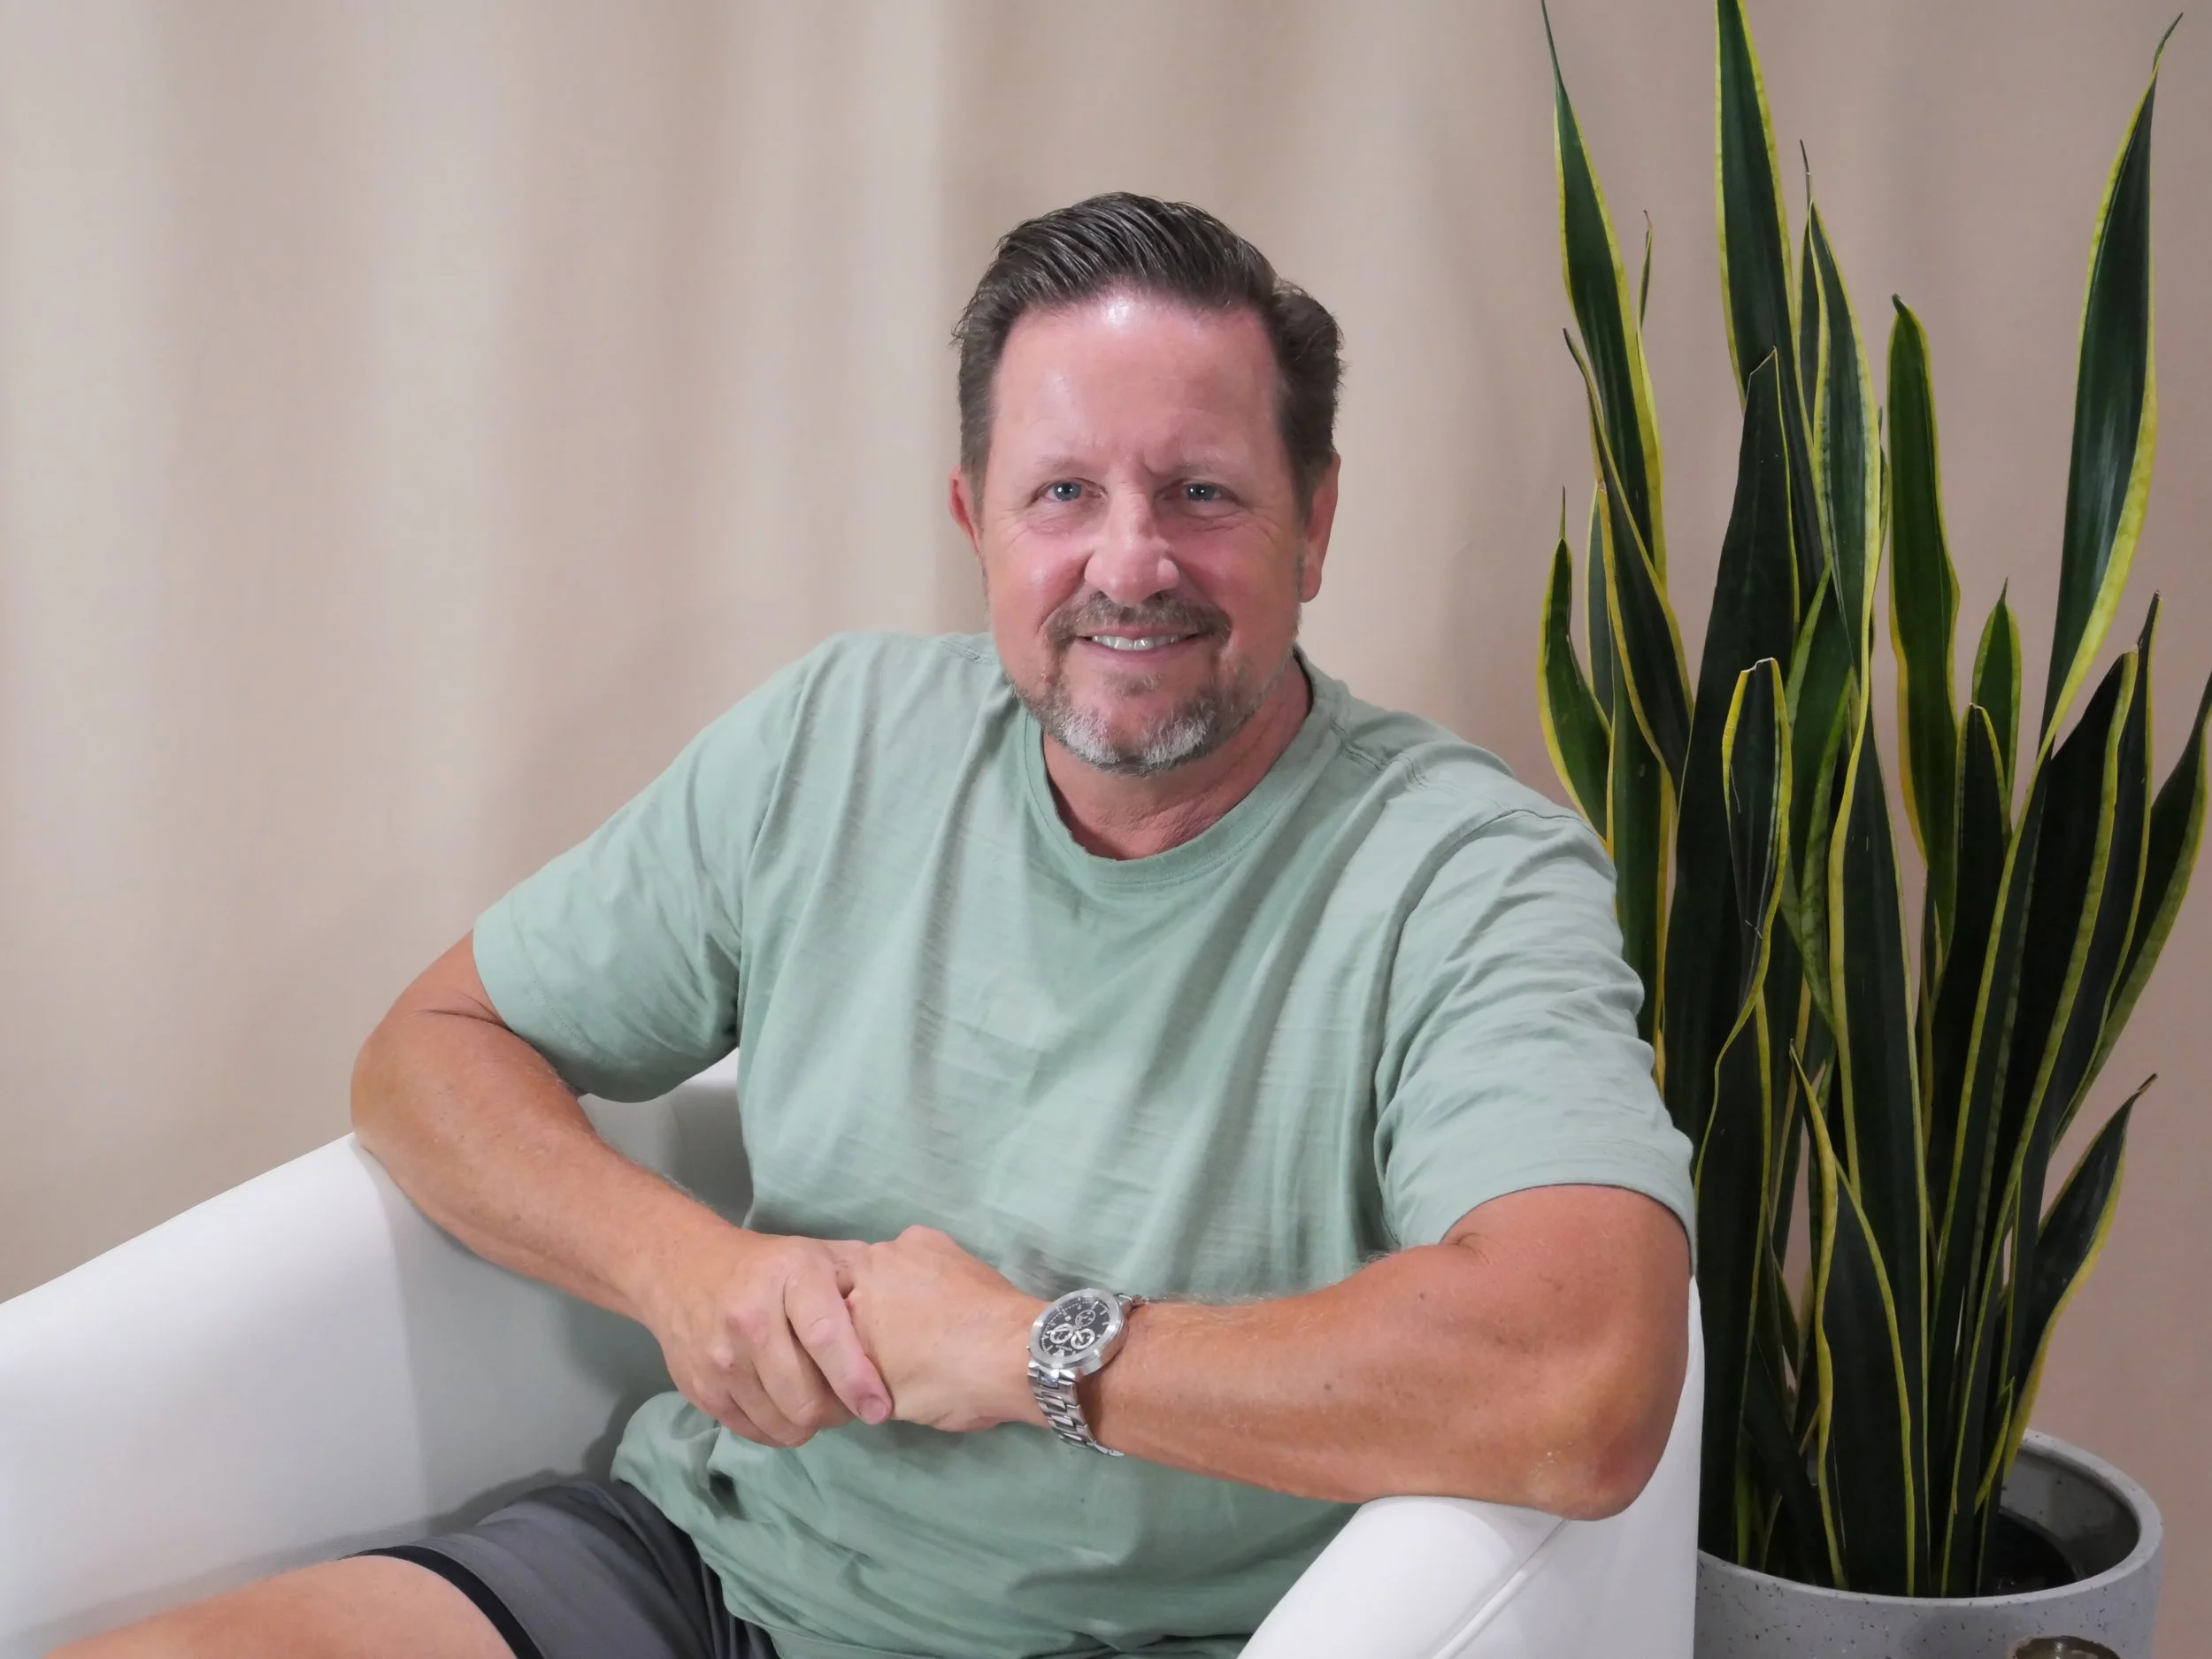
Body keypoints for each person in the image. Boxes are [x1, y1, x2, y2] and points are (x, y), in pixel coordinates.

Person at [62, 193, 1693, 1659]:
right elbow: (425, 1053)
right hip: (696, 1568)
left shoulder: (1468, 872)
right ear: (975, 517)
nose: (1129, 560)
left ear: (1314, 523)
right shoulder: (834, 738)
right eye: (1063, 491)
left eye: (1202, 491)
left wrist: (1028, 1352)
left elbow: (1584, 1377)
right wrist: (682, 1267)